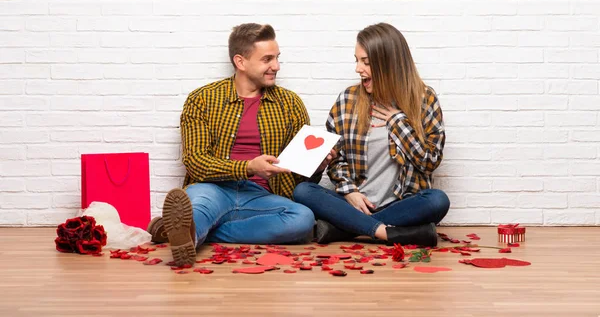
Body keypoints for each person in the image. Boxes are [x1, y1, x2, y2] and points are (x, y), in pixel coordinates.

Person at [149, 23, 332, 266]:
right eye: (267, 59)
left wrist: (316, 167)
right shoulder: (202, 99)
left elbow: (297, 178)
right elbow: (195, 163)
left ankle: (197, 233)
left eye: (277, 58)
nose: (276, 66)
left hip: (261, 196)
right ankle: (189, 239)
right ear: (240, 61)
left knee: (302, 218)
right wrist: (248, 167)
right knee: (198, 207)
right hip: (212, 189)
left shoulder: (290, 103)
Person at [293, 23, 450, 247]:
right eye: (357, 60)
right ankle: (387, 232)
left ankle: (343, 229)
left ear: (389, 64)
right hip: (355, 203)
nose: (358, 68)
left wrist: (398, 122)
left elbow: (429, 162)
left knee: (437, 201)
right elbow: (337, 161)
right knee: (303, 191)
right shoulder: (347, 101)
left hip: (402, 204)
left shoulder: (425, 100)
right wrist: (350, 193)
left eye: (365, 62)